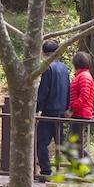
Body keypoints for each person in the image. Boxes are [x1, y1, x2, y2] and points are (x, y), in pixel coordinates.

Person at [34, 40, 69, 179]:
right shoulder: (64, 68)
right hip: (61, 111)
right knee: (62, 143)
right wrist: (67, 107)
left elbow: (44, 90)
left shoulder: (47, 68)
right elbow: (68, 89)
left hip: (49, 111)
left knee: (41, 142)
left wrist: (38, 108)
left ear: (44, 53)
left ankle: (46, 171)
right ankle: (82, 167)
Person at [67, 51, 94, 159]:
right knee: (74, 144)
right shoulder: (81, 76)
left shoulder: (84, 76)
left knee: (74, 145)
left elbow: (84, 96)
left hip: (81, 114)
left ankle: (91, 170)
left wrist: (72, 109)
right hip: (78, 113)